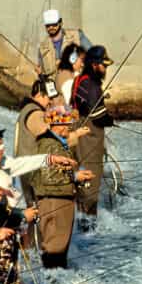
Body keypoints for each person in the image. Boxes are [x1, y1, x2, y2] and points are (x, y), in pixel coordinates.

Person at [30, 107, 94, 268]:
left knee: (58, 247)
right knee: (55, 248)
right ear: (57, 125)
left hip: (58, 201)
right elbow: (49, 176)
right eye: (68, 124)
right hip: (55, 203)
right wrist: (76, 177)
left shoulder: (53, 143)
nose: (70, 127)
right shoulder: (50, 144)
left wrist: (76, 176)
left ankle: (55, 281)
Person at [72, 44, 115, 224]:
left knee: (82, 183)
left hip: (80, 136)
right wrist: (110, 120)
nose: (105, 69)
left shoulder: (82, 79)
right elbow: (99, 117)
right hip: (89, 140)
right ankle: (89, 230)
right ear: (95, 65)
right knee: (90, 183)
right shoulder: (91, 85)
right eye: (103, 65)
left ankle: (83, 223)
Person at [38, 9, 91, 83]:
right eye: (48, 25)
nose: (51, 27)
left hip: (78, 87)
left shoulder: (77, 36)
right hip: (56, 90)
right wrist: (40, 74)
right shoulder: (42, 48)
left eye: (54, 24)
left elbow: (92, 55)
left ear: (60, 22)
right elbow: (43, 74)